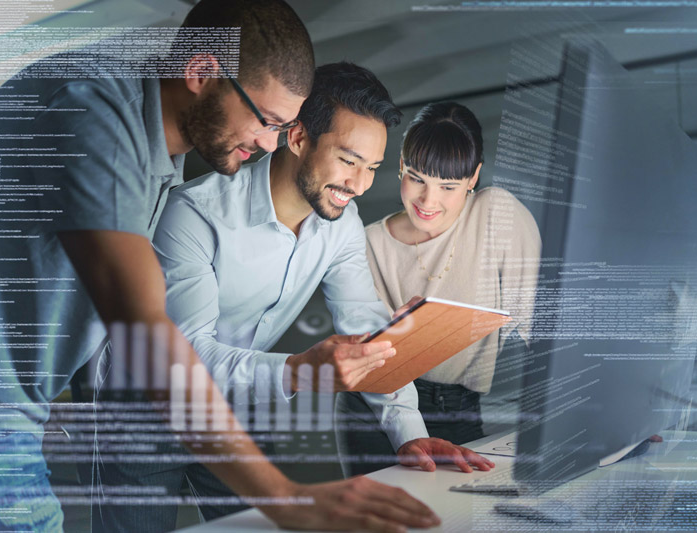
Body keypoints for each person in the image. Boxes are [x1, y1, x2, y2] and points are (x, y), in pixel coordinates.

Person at [0, 1, 439, 531]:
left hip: (29, 408)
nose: (272, 143)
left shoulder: (159, 145)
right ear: (203, 73)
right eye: (268, 122)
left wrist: (408, 423)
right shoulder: (96, 109)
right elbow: (146, 333)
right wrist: (286, 498)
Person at [152, 63, 494, 526]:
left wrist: (409, 435)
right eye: (349, 160)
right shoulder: (192, 215)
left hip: (238, 408)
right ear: (296, 138)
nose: (360, 184)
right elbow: (187, 358)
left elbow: (365, 329)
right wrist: (298, 371)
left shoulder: (341, 227)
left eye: (372, 168)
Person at [335, 101, 542, 476]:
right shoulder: (368, 244)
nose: (428, 202)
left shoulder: (497, 215)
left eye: (448, 186)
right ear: (400, 164)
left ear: (473, 177)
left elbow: (540, 328)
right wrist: (400, 339)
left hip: (459, 406)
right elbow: (366, 357)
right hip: (376, 412)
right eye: (416, 178)